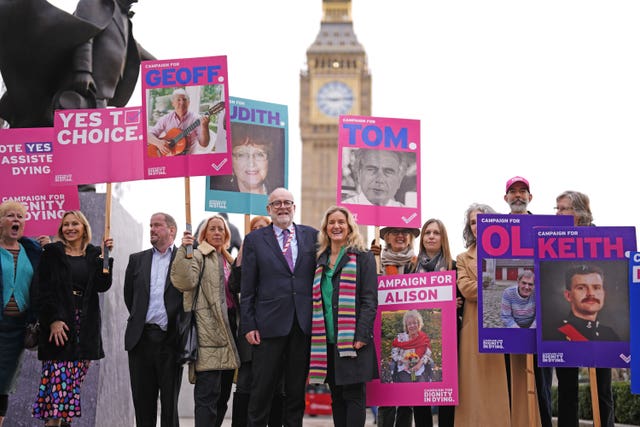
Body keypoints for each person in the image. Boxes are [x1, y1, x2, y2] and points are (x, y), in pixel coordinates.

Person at [0, 0, 152, 127]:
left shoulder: (124, 19)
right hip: (87, 87)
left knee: (96, 133)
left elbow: (136, 49)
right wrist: (83, 71)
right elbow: (84, 34)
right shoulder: (95, 3)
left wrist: (168, 66)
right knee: (82, 130)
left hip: (103, 93)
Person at [240, 187, 319, 426]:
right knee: (262, 390)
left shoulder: (312, 236)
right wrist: (249, 324)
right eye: (277, 203)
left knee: (295, 392)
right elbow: (248, 287)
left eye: (287, 203)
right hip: (268, 326)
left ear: (294, 207)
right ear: (269, 209)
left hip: (302, 324)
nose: (283, 207)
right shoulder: (254, 239)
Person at [32, 210, 113, 427]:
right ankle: (52, 423)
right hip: (60, 325)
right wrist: (53, 320)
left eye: (75, 224)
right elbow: (42, 290)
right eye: (66, 224)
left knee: (69, 390)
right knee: (59, 390)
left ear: (84, 227)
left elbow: (102, 286)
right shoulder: (52, 253)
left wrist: (106, 259)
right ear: (61, 229)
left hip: (85, 328)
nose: (70, 228)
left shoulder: (94, 254)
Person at [309, 205, 378, 427]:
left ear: (349, 227)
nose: (336, 226)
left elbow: (369, 300)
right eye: (331, 223)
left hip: (353, 341)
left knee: (354, 395)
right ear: (325, 228)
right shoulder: (319, 260)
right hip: (326, 342)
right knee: (336, 396)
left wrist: (361, 334)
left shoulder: (363, 257)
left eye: (341, 222)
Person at [551, 192, 616, 427]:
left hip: (598, 332)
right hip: (569, 328)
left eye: (563, 209)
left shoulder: (601, 238)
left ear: (579, 212)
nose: (557, 214)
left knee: (603, 388)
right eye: (556, 208)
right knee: (567, 388)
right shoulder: (552, 239)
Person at [171, 214, 240, 426]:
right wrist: (184, 251)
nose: (217, 232)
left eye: (221, 229)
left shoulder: (230, 261)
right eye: (213, 229)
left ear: (227, 234)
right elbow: (184, 281)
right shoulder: (198, 254)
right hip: (208, 332)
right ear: (204, 234)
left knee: (222, 398)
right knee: (206, 398)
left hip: (230, 332)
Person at [455, 202, 516, 427]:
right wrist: (501, 281)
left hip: (509, 324)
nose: (476, 225)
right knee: (477, 389)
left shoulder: (511, 250)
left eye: (480, 220)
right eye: (472, 222)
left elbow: (519, 282)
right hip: (476, 329)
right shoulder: (462, 258)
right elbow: (467, 290)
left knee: (508, 384)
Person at [124, 213, 184, 427]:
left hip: (170, 341)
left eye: (157, 225)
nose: (152, 229)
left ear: (172, 230)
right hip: (140, 340)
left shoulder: (184, 259)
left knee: (169, 406)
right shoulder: (137, 260)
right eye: (151, 225)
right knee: (143, 404)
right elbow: (129, 297)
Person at [503, 176, 551, 427]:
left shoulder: (543, 227)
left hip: (542, 320)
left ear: (530, 197)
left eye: (523, 191)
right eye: (513, 192)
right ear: (506, 198)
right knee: (511, 381)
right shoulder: (496, 227)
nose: (518, 195)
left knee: (541, 384)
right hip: (512, 321)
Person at [229, 215, 285, 427]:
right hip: (250, 334)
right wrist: (243, 253)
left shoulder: (280, 256)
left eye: (264, 227)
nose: (260, 231)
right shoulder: (245, 255)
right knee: (245, 384)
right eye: (255, 228)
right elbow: (234, 286)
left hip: (276, 331)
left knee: (277, 385)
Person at [373, 226, 426, 427]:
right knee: (387, 397)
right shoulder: (375, 261)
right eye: (394, 232)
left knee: (407, 399)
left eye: (405, 232)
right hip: (383, 333)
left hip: (411, 334)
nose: (400, 235)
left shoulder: (418, 263)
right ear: (386, 237)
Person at [0, 201, 46, 427]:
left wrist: (51, 248)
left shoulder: (33, 250)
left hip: (17, 329)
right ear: (1, 222)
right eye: (10, 215)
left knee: (3, 383)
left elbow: (52, 275)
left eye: (20, 216)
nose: (16, 220)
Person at [413, 218, 461, 427]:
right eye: (427, 232)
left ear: (443, 238)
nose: (431, 236)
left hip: (448, 338)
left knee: (445, 394)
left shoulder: (454, 267)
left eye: (436, 233)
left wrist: (457, 303)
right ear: (422, 238)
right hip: (419, 338)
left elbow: (465, 302)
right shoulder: (411, 268)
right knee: (419, 392)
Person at [210, 123, 284, 194]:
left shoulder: (281, 194)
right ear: (231, 161)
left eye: (259, 154)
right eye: (242, 155)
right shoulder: (219, 196)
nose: (251, 164)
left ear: (268, 159)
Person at [147, 88, 211, 156]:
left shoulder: (196, 119)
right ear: (173, 103)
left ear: (188, 103)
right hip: (168, 158)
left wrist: (205, 126)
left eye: (184, 99)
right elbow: (148, 136)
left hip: (189, 158)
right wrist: (158, 143)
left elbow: (204, 144)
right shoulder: (166, 118)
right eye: (178, 100)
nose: (182, 102)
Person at [343, 149, 413, 207]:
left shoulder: (406, 214)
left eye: (388, 171)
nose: (380, 180)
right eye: (371, 169)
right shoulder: (344, 209)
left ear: (399, 181)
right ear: (358, 174)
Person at [391, 310, 433, 383]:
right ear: (406, 326)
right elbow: (394, 354)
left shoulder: (423, 337)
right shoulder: (400, 338)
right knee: (407, 384)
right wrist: (404, 361)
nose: (412, 325)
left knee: (420, 384)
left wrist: (419, 364)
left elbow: (427, 353)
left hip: (418, 368)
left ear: (419, 324)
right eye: (409, 324)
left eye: (414, 323)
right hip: (404, 368)